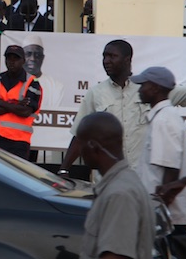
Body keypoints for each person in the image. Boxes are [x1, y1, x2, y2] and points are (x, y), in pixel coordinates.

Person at [46, 112, 157, 259]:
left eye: (80, 144)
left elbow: (116, 256)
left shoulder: (120, 193)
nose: (79, 152)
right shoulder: (117, 185)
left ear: (93, 146)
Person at [60, 39, 147, 172]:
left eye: (112, 56)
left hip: (142, 177)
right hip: (108, 179)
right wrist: (64, 169)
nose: (106, 61)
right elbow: (80, 135)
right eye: (104, 56)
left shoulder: (145, 90)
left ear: (127, 60)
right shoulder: (96, 93)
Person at [131, 67, 186, 227]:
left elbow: (171, 170)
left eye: (143, 85)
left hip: (163, 216)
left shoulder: (163, 120)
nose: (140, 90)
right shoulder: (164, 116)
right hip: (161, 213)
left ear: (155, 88)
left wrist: (158, 214)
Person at [0, 44, 42, 159]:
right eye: (9, 58)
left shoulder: (32, 82)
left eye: (16, 58)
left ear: (23, 61)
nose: (12, 62)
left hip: (18, 142)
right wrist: (15, 104)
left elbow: (25, 112)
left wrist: (1, 102)